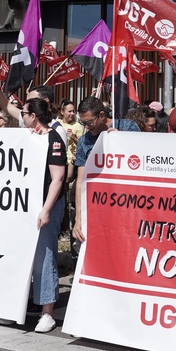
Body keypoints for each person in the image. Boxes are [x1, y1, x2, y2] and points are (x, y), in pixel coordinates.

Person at [20, 98, 67, 332]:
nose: (21, 117)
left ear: (34, 116)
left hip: (46, 204)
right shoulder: (29, 137)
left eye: (24, 113)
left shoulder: (53, 139)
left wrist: (46, 209)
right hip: (25, 204)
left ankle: (47, 312)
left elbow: (57, 178)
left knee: (44, 256)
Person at [70, 97, 138, 246]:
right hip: (98, 206)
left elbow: (141, 159)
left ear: (101, 115)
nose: (87, 126)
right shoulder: (84, 141)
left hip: (126, 205)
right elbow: (81, 182)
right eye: (83, 122)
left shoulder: (128, 127)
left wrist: (121, 140)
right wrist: (79, 219)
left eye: (89, 122)